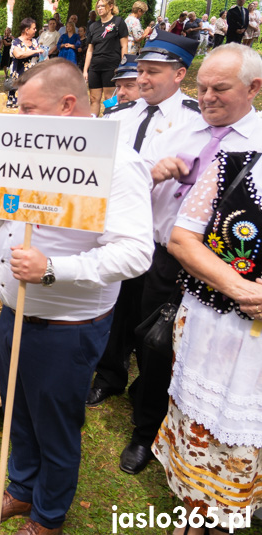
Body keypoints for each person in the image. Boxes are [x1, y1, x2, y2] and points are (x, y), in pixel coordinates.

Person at [0, 58, 153, 535]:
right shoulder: (31, 151)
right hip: (16, 313)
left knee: (56, 425)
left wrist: (53, 270)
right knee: (18, 410)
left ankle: (49, 516)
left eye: (28, 108)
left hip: (66, 326)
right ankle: (21, 491)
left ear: (68, 105)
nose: (19, 118)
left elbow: (134, 254)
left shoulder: (117, 164)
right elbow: (8, 217)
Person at [152, 43, 262, 535]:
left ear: (254, 90)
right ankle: (197, 514)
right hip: (216, 315)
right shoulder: (231, 158)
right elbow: (183, 237)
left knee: (246, 433)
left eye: (221, 88)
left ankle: (230, 513)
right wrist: (240, 288)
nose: (208, 97)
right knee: (199, 415)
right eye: (203, 88)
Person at [93, 31, 203, 476]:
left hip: (163, 245)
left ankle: (145, 429)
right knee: (113, 315)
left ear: (179, 74)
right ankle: (109, 377)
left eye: (153, 72)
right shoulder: (120, 116)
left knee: (153, 338)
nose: (143, 78)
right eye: (140, 70)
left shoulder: (197, 123)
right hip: (117, 236)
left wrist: (177, 171)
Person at [83, 0, 129, 116]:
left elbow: (124, 45)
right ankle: (93, 125)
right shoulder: (93, 26)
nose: (99, 9)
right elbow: (90, 49)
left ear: (111, 6)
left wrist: (123, 65)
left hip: (111, 66)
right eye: (98, 6)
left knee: (109, 99)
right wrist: (85, 70)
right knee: (93, 99)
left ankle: (110, 123)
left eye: (102, 6)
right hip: (95, 67)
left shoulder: (118, 22)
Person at [9, 18, 45, 107]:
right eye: (34, 28)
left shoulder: (35, 41)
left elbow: (41, 56)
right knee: (18, 105)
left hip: (33, 78)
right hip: (19, 78)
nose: (36, 30)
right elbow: (18, 55)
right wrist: (35, 51)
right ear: (26, 30)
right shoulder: (16, 42)